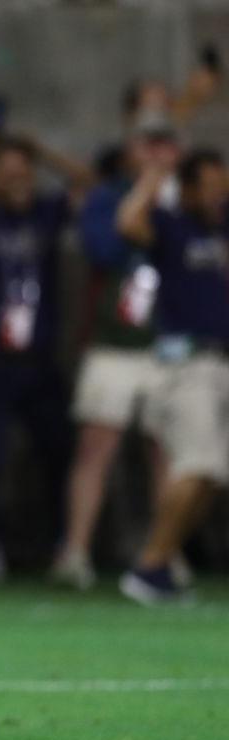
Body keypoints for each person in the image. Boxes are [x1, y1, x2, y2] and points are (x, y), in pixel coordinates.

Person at [0, 131, 91, 581]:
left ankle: (59, 543)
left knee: (58, 452)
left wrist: (39, 148)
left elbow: (90, 184)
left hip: (39, 360)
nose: (17, 179)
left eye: (23, 171)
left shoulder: (46, 213)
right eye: (8, 173)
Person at [52, 121, 176, 590]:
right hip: (113, 343)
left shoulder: (183, 198)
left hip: (167, 345)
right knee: (95, 449)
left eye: (165, 145)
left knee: (166, 453)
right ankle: (76, 551)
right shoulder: (108, 195)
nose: (156, 155)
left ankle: (165, 554)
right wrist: (144, 188)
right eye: (148, 144)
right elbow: (103, 248)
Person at [115, 147, 229, 603]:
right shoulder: (171, 224)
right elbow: (128, 223)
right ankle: (149, 566)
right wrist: (154, 173)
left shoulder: (220, 226)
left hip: (220, 362)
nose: (218, 195)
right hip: (186, 364)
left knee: (213, 476)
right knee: (197, 467)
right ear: (187, 190)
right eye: (209, 187)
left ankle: (160, 566)